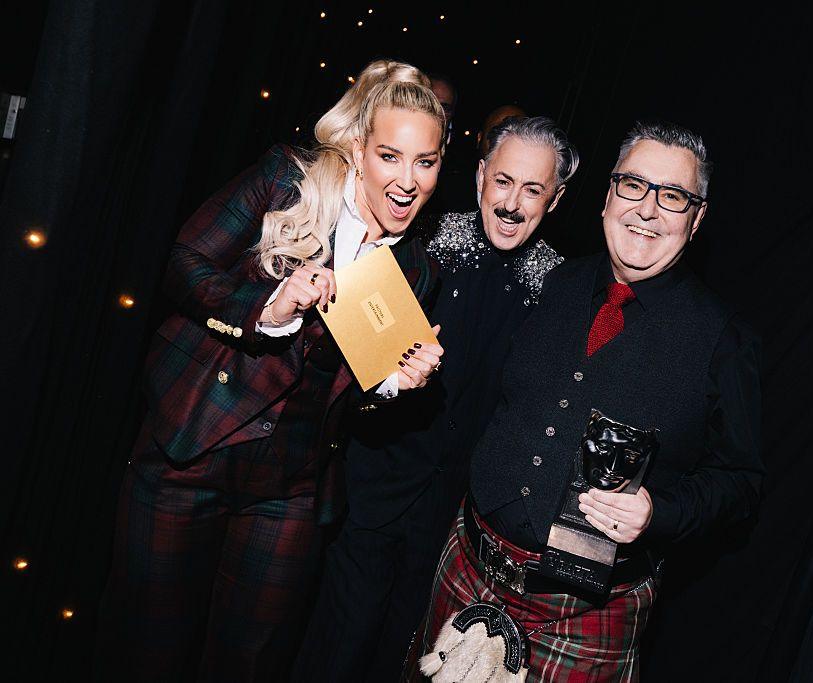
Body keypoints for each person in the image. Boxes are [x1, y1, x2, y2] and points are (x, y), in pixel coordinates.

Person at [96, 59, 447, 682]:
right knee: (147, 651)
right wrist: (268, 307)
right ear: (360, 148)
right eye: (390, 156)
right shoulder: (289, 182)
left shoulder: (416, 269)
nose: (407, 180)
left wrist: (397, 383)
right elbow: (184, 263)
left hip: (289, 487)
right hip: (192, 450)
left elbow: (356, 395)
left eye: (426, 162)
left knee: (248, 665)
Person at [405, 121, 764, 681]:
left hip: (581, 615)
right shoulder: (553, 283)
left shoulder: (723, 340)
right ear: (606, 197)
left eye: (672, 196)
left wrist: (660, 512)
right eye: (633, 186)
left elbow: (740, 480)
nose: (647, 209)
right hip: (469, 564)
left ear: (697, 220)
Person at [293, 116, 578, 681]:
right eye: (502, 182)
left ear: (557, 198)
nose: (512, 204)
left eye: (532, 190)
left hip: (456, 529)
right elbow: (351, 370)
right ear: (478, 178)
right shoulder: (420, 246)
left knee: (406, 660)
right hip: (373, 494)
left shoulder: (561, 295)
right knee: (335, 647)